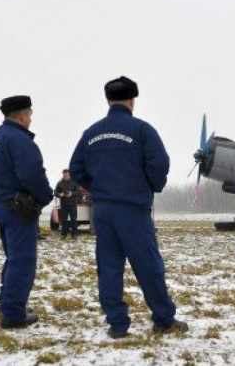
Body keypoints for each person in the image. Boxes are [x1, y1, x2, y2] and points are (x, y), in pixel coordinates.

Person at [69, 76, 187, 339]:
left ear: (108, 100)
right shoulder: (142, 130)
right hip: (133, 210)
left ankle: (117, 324)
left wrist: (99, 187)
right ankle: (164, 318)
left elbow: (76, 168)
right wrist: (150, 186)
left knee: (109, 267)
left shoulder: (91, 133)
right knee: (148, 265)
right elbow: (159, 163)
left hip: (103, 211)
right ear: (132, 100)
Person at [0, 96, 53, 328]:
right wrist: (46, 196)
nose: (31, 119)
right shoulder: (20, 141)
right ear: (22, 115)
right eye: (30, 114)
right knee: (22, 261)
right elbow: (32, 175)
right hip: (17, 209)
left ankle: (9, 303)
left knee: (13, 258)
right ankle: (13, 314)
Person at [54, 169, 81, 239]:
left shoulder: (74, 182)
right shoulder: (59, 183)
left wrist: (71, 193)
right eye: (64, 175)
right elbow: (55, 192)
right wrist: (60, 194)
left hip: (72, 204)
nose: (65, 177)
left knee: (73, 220)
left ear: (69, 175)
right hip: (63, 204)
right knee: (64, 220)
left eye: (66, 176)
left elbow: (78, 192)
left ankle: (74, 235)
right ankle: (63, 235)